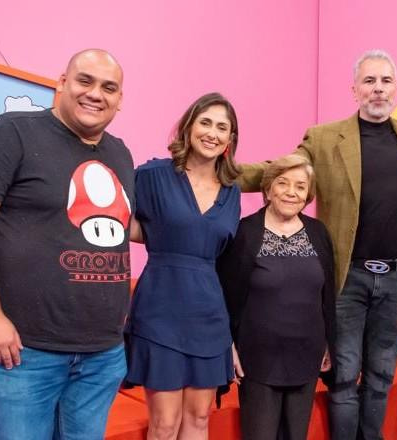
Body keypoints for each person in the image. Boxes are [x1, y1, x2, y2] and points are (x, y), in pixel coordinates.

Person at [238, 50, 397, 439]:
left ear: (395, 87)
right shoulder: (325, 138)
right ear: (354, 89)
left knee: (381, 376)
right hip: (347, 276)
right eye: (369, 81)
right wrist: (216, 172)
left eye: (385, 81)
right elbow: (280, 170)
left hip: (395, 279)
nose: (377, 89)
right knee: (344, 376)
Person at [0, 49, 133, 439]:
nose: (96, 94)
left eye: (109, 87)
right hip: (24, 352)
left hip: (102, 354)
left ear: (120, 100)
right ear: (62, 82)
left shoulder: (120, 152)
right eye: (85, 81)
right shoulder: (11, 132)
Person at [124, 92, 241, 440]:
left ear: (230, 140)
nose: (213, 133)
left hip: (210, 315)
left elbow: (217, 248)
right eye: (205, 122)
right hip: (160, 309)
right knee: (163, 424)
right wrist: (157, 235)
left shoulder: (232, 190)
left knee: (199, 420)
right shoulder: (151, 175)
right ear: (188, 128)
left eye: (223, 127)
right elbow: (113, 219)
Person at [218, 154, 335, 440]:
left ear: (308, 194)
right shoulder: (244, 232)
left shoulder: (318, 233)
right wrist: (227, 345)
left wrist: (330, 343)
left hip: (306, 354)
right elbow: (225, 294)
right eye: (282, 183)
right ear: (268, 189)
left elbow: (328, 295)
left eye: (300, 185)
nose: (291, 192)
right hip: (257, 358)